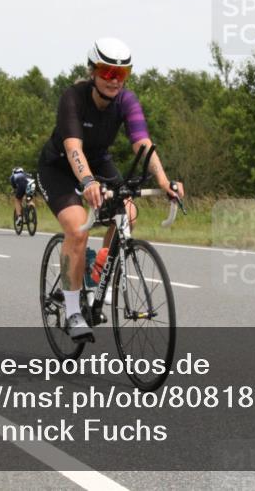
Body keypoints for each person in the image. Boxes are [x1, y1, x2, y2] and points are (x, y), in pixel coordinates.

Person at [37, 38, 184, 340]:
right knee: (78, 229)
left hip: (99, 162)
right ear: (92, 71)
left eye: (121, 73)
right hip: (60, 167)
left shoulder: (126, 101)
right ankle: (73, 310)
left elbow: (142, 143)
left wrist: (163, 181)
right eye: (107, 72)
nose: (114, 80)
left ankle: (97, 274)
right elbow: (73, 147)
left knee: (128, 213)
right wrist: (88, 182)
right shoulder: (73, 98)